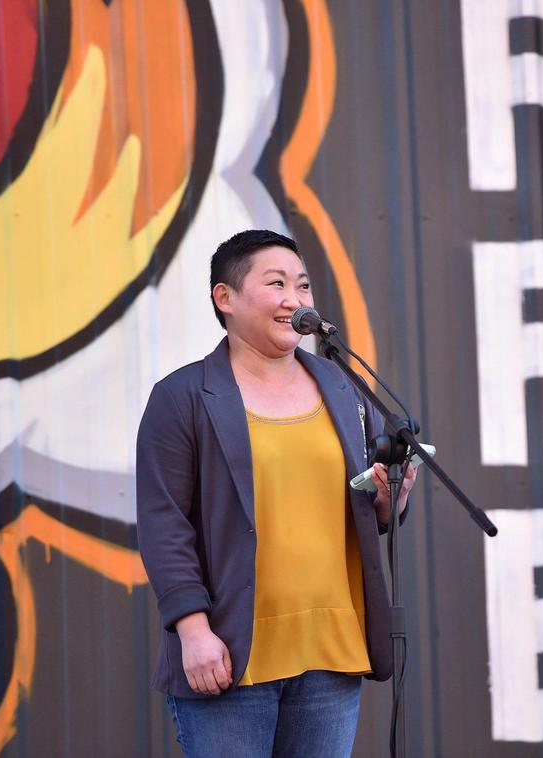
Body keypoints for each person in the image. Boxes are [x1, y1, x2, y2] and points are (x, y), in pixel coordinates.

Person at [136, 229, 415, 757]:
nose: (296, 299)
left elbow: (374, 507)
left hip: (331, 653)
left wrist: (391, 498)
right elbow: (163, 524)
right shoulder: (182, 398)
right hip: (231, 654)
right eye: (277, 283)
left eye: (304, 286)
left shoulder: (342, 387)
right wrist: (193, 631)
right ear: (226, 298)